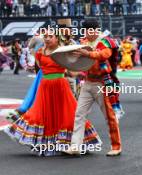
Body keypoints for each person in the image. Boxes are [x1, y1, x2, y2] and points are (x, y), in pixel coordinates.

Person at [4, 29, 101, 156]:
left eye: (51, 36)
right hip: (45, 87)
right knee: (41, 115)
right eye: (46, 36)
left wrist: (85, 70)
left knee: (67, 116)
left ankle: (75, 143)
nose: (47, 38)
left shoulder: (63, 52)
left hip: (61, 86)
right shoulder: (39, 53)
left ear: (57, 38)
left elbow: (72, 72)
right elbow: (41, 69)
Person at [64, 19, 122, 156]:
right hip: (87, 82)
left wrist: (87, 54)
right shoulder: (83, 42)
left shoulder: (105, 42)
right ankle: (75, 147)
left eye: (91, 30)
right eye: (85, 31)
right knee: (79, 114)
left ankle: (116, 146)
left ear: (97, 30)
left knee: (110, 116)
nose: (88, 33)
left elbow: (104, 55)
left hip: (103, 84)